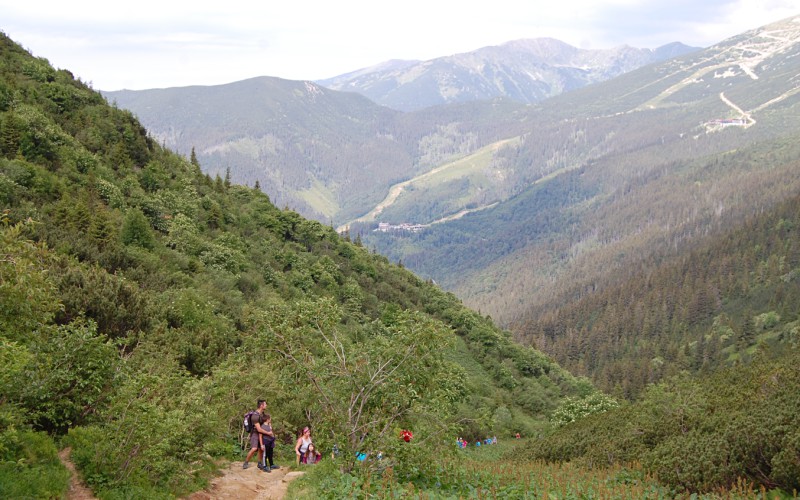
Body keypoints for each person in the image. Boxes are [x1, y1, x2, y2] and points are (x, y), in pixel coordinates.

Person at [244, 400, 268, 470]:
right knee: (254, 448)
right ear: (261, 406)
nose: (266, 406)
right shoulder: (255, 416)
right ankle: (246, 462)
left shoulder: (262, 414)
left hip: (261, 434)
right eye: (265, 404)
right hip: (255, 433)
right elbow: (259, 429)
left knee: (261, 449)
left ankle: (259, 463)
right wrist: (268, 433)